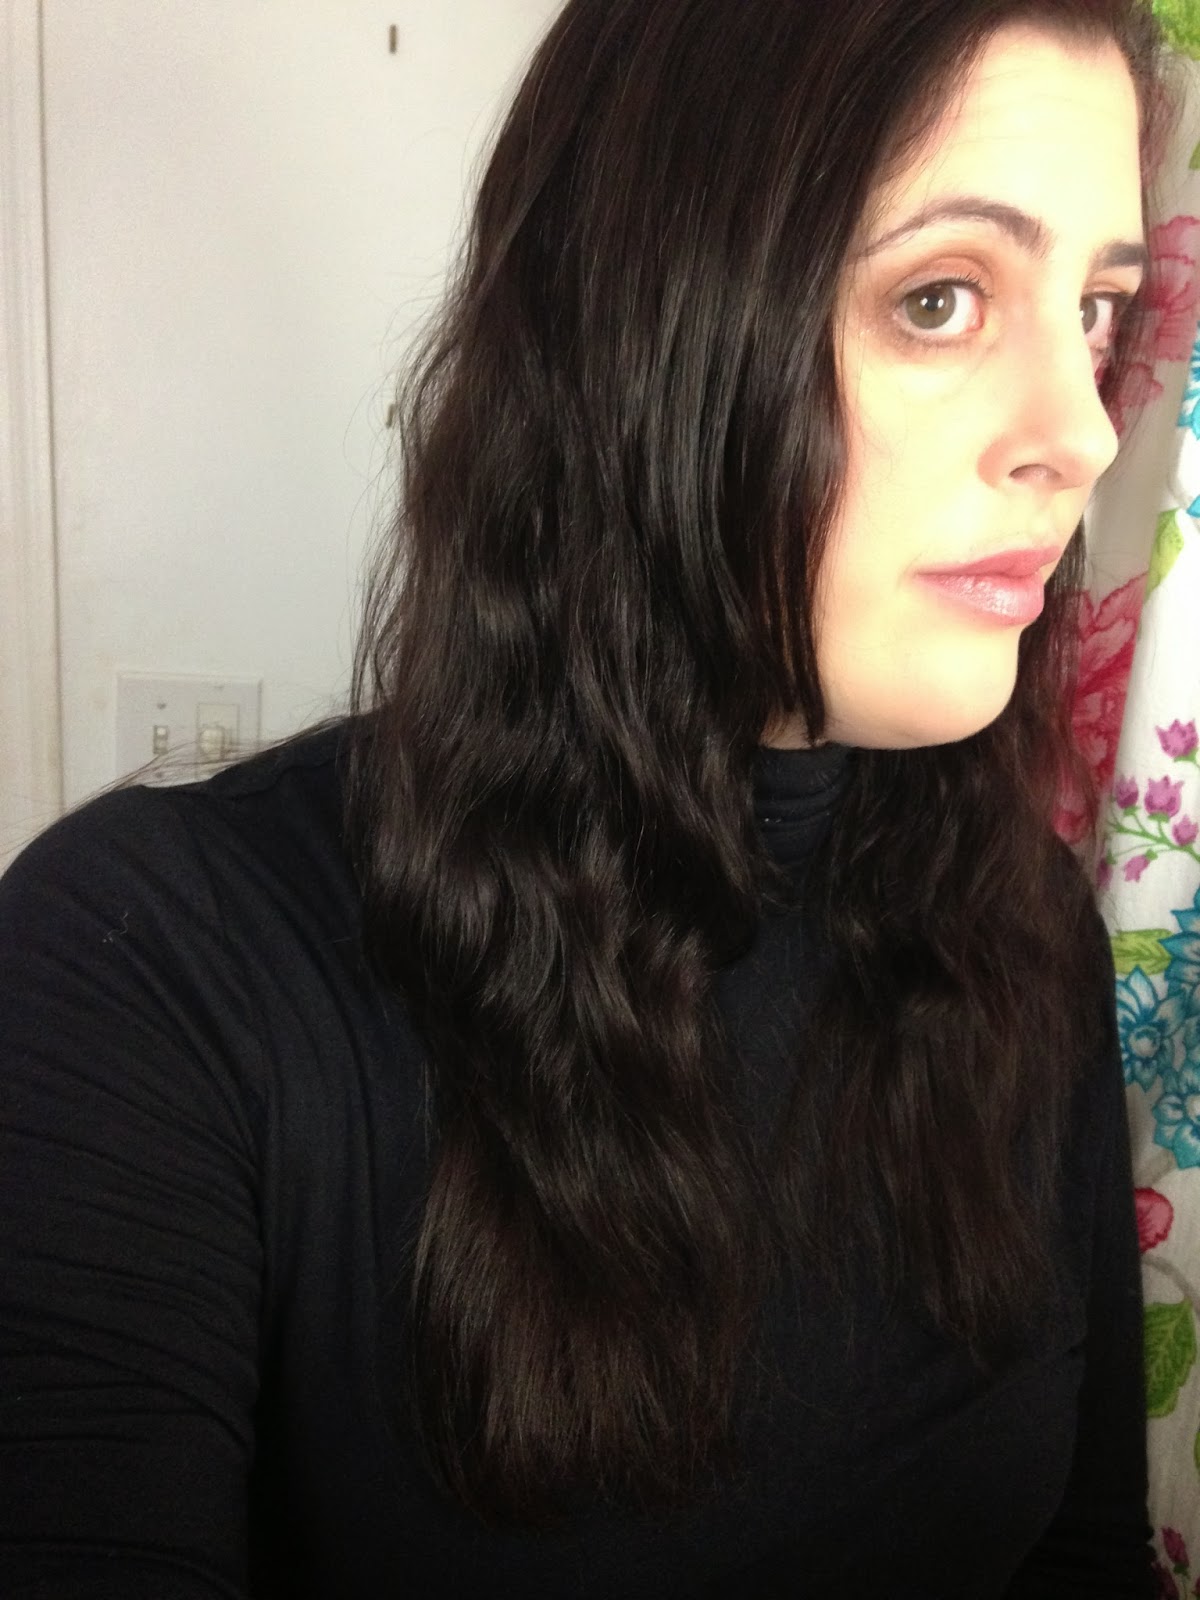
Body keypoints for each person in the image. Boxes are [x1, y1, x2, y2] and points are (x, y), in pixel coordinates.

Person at [0, 0, 1169, 1593]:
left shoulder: (1020, 928)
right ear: (637, 331)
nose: (1082, 434)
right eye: (942, 299)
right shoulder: (152, 971)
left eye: (1096, 312)